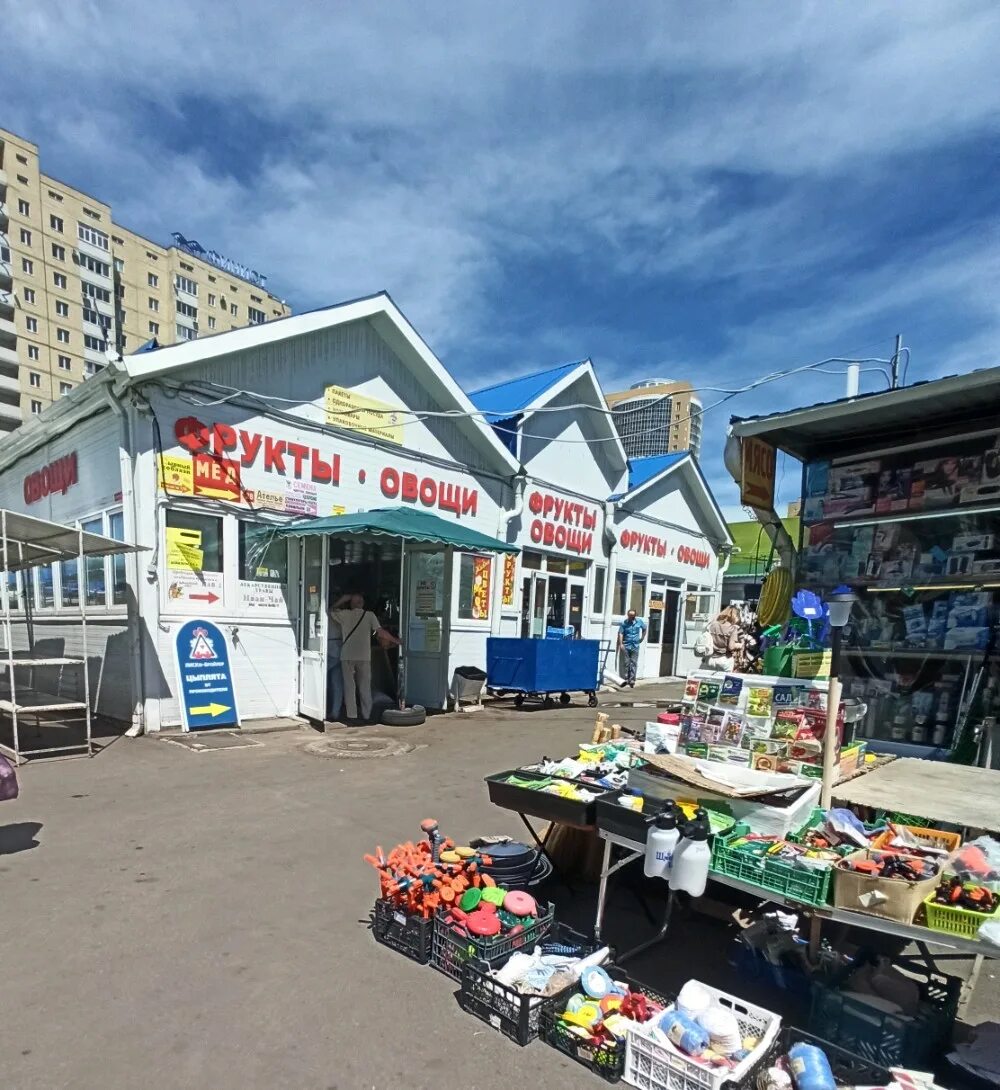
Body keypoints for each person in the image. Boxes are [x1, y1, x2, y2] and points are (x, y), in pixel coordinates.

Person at [329, 593, 401, 723]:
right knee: (365, 687)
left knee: (349, 687)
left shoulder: (345, 614)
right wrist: (396, 640)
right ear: (362, 603)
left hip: (347, 655)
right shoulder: (370, 615)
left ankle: (352, 715)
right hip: (364, 656)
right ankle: (367, 714)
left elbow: (331, 610)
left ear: (351, 603)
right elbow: (381, 632)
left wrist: (342, 599)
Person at [702, 605, 746, 671]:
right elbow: (731, 647)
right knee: (725, 681)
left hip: (710, 659)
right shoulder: (732, 628)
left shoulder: (713, 625)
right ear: (735, 616)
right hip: (725, 660)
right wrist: (739, 645)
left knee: (709, 680)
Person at [617, 609, 646, 688]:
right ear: (628, 615)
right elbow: (620, 633)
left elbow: (644, 628)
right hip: (626, 645)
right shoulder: (624, 623)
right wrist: (621, 644)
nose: (631, 617)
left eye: (633, 616)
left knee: (633, 663)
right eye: (630, 616)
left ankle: (632, 679)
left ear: (635, 616)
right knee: (626, 662)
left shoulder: (639, 622)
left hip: (635, 645)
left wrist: (642, 638)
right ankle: (626, 678)